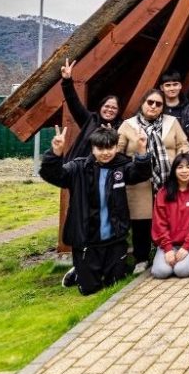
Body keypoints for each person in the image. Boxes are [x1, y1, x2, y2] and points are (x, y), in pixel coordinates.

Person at [40, 126, 152, 294]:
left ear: (115, 147)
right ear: (92, 148)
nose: (105, 152)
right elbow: (53, 175)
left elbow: (140, 173)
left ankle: (96, 267)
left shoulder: (121, 167)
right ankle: (79, 271)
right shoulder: (78, 168)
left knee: (114, 283)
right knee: (89, 290)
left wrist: (142, 151)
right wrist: (55, 153)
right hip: (88, 241)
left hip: (115, 239)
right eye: (100, 148)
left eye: (110, 148)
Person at [117, 88, 189, 274]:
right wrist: (133, 166)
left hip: (169, 180)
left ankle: (168, 252)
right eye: (150, 102)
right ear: (142, 103)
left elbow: (183, 143)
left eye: (159, 104)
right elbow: (118, 153)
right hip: (140, 183)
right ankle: (141, 258)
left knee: (170, 218)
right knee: (141, 222)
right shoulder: (128, 125)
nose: (154, 106)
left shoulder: (171, 122)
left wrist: (182, 160)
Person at [151, 153, 189, 279]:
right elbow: (159, 223)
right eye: (180, 167)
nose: (185, 171)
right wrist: (168, 249)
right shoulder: (163, 192)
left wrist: (186, 247)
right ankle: (181, 260)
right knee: (160, 272)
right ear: (174, 170)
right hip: (169, 242)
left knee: (181, 271)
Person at [58, 59, 122, 162]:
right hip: (77, 170)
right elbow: (73, 103)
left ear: (118, 111)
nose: (109, 110)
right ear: (100, 107)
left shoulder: (121, 127)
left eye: (114, 108)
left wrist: (112, 135)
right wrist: (67, 81)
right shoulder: (90, 119)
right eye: (107, 106)